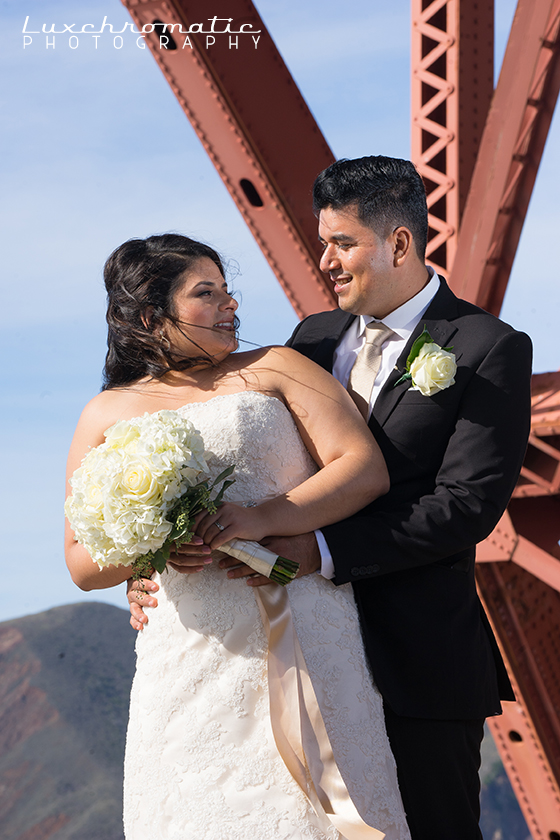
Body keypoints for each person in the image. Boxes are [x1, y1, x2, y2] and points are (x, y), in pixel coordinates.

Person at [129, 157, 533, 840]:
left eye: (342, 244)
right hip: (297, 651)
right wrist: (157, 560)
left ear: (399, 243)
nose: (326, 262)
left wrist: (319, 549)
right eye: (323, 243)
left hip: (418, 660)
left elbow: (466, 505)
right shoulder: (309, 340)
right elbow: (243, 468)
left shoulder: (488, 348)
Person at [65, 233, 412, 840]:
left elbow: (363, 467)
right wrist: (154, 547)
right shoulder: (105, 413)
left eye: (228, 292)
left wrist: (265, 516)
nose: (231, 306)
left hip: (305, 627)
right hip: (186, 657)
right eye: (207, 294)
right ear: (152, 316)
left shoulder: (275, 368)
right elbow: (79, 560)